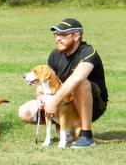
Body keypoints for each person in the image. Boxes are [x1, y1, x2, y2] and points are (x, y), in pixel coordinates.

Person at [17, 17, 108, 148]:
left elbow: (77, 78)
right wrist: (40, 96)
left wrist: (54, 102)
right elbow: (45, 80)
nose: (58, 38)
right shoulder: (55, 55)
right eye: (57, 34)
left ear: (76, 36)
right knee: (25, 112)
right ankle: (66, 126)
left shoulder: (88, 52)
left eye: (63, 35)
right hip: (64, 103)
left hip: (93, 105)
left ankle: (86, 135)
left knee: (80, 84)